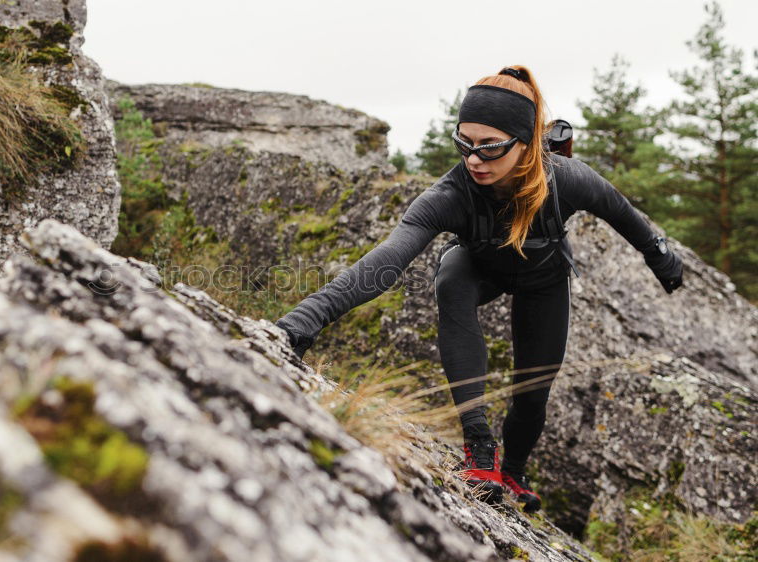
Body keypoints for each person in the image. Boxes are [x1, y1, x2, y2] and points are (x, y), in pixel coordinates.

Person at [274, 65, 684, 511]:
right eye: (464, 143)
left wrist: (659, 255)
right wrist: (302, 322)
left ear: (525, 145)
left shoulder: (566, 179)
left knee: (533, 391)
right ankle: (479, 448)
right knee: (451, 279)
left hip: (543, 279)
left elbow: (623, 213)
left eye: (490, 147)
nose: (473, 159)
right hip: (479, 268)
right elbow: (386, 260)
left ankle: (514, 470)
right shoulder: (450, 195)